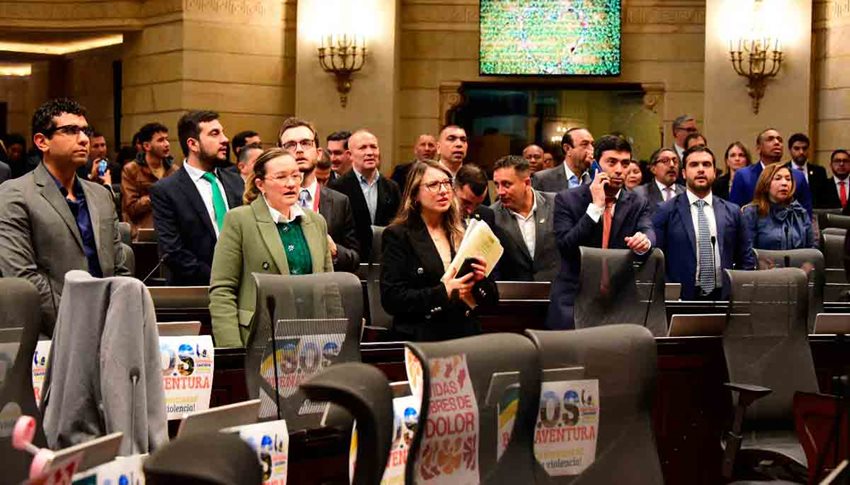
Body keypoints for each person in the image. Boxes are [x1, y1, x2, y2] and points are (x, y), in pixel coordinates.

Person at [0, 98, 131, 334]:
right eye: (70, 131)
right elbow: (24, 277)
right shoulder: (14, 194)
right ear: (42, 142)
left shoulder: (101, 196)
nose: (83, 139)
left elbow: (119, 270)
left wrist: (114, 322)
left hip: (109, 328)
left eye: (85, 131)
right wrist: (80, 327)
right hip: (48, 332)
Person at [209, 149, 333, 347]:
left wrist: (335, 338)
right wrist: (231, 349)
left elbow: (330, 287)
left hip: (311, 339)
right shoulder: (240, 220)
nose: (291, 183)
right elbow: (223, 290)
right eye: (281, 177)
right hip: (261, 339)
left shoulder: (316, 222)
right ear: (260, 184)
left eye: (295, 175)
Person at [380, 159, 498, 341]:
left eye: (446, 184)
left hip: (465, 333)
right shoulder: (398, 235)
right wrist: (444, 292)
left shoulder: (464, 231)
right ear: (415, 194)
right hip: (424, 336)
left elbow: (491, 301)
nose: (443, 191)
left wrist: (481, 279)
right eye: (433, 185)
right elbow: (392, 299)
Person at [547, 135, 654, 329]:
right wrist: (595, 207)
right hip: (574, 300)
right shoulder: (567, 199)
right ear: (596, 165)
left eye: (625, 163)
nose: (619, 170)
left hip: (618, 302)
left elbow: (648, 231)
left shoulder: (638, 202)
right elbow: (566, 247)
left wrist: (644, 241)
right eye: (611, 162)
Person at [151, 110, 244, 285]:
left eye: (222, 132)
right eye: (215, 134)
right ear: (193, 144)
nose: (225, 139)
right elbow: (173, 252)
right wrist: (220, 280)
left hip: (243, 289)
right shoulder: (166, 190)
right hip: (196, 290)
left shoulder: (236, 181)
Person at [652, 146, 755, 300]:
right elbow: (657, 259)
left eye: (706, 165)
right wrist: (669, 293)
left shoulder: (732, 211)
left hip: (724, 297)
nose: (701, 170)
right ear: (684, 173)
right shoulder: (665, 211)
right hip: (681, 299)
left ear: (714, 172)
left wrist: (738, 292)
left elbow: (745, 258)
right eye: (694, 165)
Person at [279, 117, 360, 272]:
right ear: (279, 152)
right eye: (290, 145)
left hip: (323, 288)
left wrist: (334, 250)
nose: (299, 150)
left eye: (305, 143)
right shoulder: (270, 199)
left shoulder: (339, 202)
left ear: (318, 153)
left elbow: (354, 259)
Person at [327, 129, 401, 262]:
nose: (370, 152)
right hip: (352, 263)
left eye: (373, 147)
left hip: (386, 261)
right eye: (363, 148)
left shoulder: (392, 187)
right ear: (350, 154)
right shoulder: (337, 188)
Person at [491, 155, 559, 281]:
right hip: (515, 296)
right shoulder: (492, 215)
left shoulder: (556, 204)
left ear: (527, 183)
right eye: (497, 185)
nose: (500, 192)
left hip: (556, 293)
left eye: (506, 184)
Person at [729, 128, 812, 215]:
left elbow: (806, 213)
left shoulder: (797, 176)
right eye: (770, 139)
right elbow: (735, 213)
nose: (777, 142)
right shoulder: (744, 176)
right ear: (758, 148)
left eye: (780, 140)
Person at [121, 122, 177, 237]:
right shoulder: (131, 170)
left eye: (167, 139)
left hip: (170, 231)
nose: (166, 144)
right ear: (147, 146)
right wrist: (154, 196)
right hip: (143, 232)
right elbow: (131, 208)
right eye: (160, 140)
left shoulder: (174, 170)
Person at [742, 163, 815, 250]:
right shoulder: (752, 212)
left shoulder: (800, 212)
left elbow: (812, 250)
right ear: (766, 183)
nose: (784, 183)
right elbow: (747, 252)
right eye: (778, 178)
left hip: (797, 263)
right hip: (763, 263)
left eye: (788, 179)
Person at [533, 127, 595, 193]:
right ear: (567, 149)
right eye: (585, 144)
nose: (592, 149)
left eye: (592, 144)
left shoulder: (594, 179)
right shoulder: (543, 179)